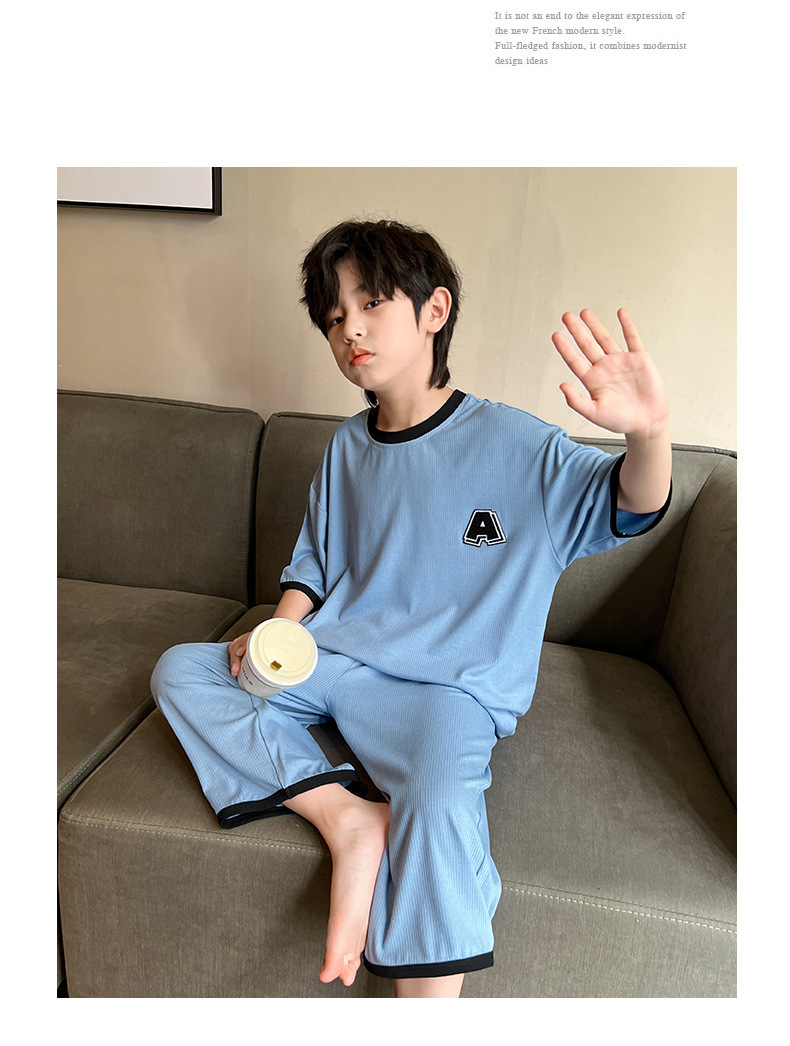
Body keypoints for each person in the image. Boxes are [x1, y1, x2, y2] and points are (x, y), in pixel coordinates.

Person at [151, 218, 672, 999]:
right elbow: (314, 566)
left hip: (446, 692)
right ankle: (349, 821)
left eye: (370, 302)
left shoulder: (518, 446)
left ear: (435, 310)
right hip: (335, 664)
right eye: (334, 316)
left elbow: (632, 505)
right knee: (183, 671)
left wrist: (649, 435)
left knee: (438, 800)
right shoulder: (347, 447)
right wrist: (276, 634)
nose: (350, 329)